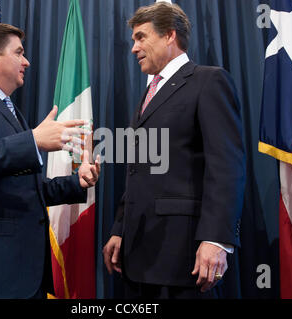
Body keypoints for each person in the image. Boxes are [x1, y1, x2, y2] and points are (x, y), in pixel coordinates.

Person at [0, 22, 100, 298]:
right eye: (19, 52)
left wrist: (78, 182)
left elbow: (24, 191)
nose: (27, 61)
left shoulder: (14, 115)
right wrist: (33, 140)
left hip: (24, 276)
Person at [103, 2, 245, 299]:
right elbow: (139, 167)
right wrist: (120, 228)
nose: (134, 48)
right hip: (139, 252)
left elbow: (226, 167)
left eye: (141, 37)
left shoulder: (208, 81)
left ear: (169, 35)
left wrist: (217, 240)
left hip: (184, 255)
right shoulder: (149, 92)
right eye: (133, 40)